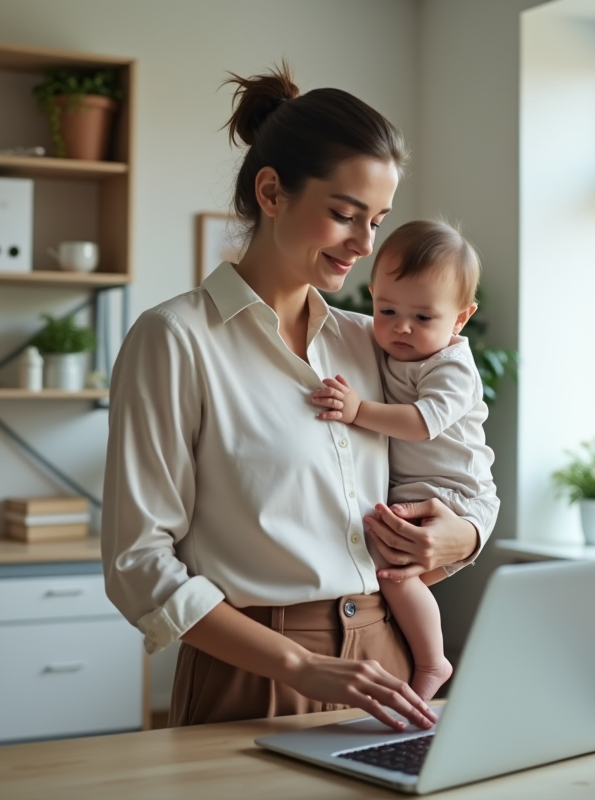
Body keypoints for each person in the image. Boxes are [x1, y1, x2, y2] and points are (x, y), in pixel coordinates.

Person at [100, 63, 499, 733]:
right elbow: (138, 563)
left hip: (388, 660)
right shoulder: (175, 340)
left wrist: (463, 536)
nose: (366, 246)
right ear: (272, 192)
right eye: (345, 215)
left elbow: (462, 458)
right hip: (254, 672)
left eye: (377, 221)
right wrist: (298, 664)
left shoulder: (373, 342)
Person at [309, 220, 494, 701]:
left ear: (460, 318)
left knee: (392, 578)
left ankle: (434, 661)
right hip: (418, 491)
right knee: (394, 581)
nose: (401, 327)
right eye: (387, 308)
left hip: (449, 493)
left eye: (424, 318)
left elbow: (420, 421)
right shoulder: (380, 343)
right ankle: (426, 658)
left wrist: (358, 412)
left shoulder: (451, 365)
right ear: (372, 294)